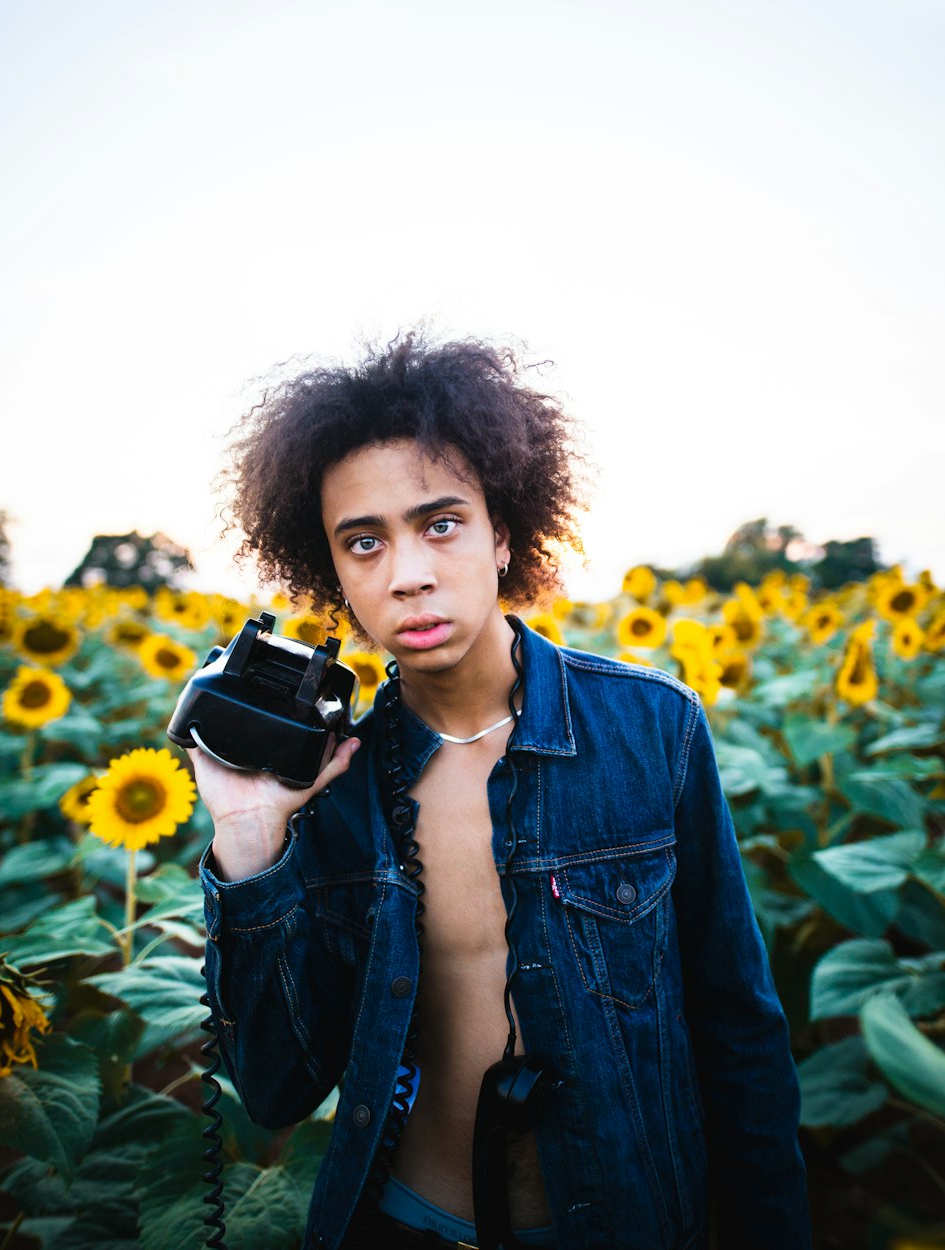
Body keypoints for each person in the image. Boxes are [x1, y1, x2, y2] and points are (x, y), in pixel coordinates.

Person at [191, 333, 811, 1250]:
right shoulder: (332, 784)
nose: (407, 573)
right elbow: (276, 1088)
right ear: (334, 577)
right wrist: (249, 844)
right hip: (403, 1224)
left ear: (505, 531)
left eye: (440, 523)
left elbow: (740, 1033)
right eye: (364, 542)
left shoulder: (652, 731)